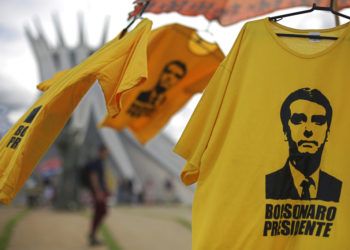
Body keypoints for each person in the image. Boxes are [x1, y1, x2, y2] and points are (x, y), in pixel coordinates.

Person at [266, 88, 342, 202]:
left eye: (318, 121)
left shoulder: (338, 188)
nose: (308, 130)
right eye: (298, 120)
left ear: (327, 133)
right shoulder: (269, 184)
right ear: (285, 131)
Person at [86, 145, 110, 246]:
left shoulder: (100, 163)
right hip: (98, 193)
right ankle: (92, 235)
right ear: (101, 152)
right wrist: (98, 192)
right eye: (105, 152)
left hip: (99, 192)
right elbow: (93, 177)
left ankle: (93, 235)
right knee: (101, 211)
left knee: (100, 212)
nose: (107, 154)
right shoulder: (96, 163)